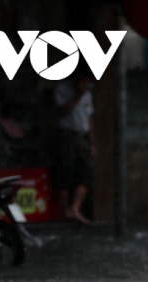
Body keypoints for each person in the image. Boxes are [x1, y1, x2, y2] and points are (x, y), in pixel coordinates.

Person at [53, 71, 95, 225]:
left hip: (82, 136)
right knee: (65, 171)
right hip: (67, 134)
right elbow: (61, 111)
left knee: (86, 173)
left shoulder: (88, 93)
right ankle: (65, 210)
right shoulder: (62, 89)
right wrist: (77, 95)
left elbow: (89, 118)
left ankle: (75, 208)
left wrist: (92, 142)